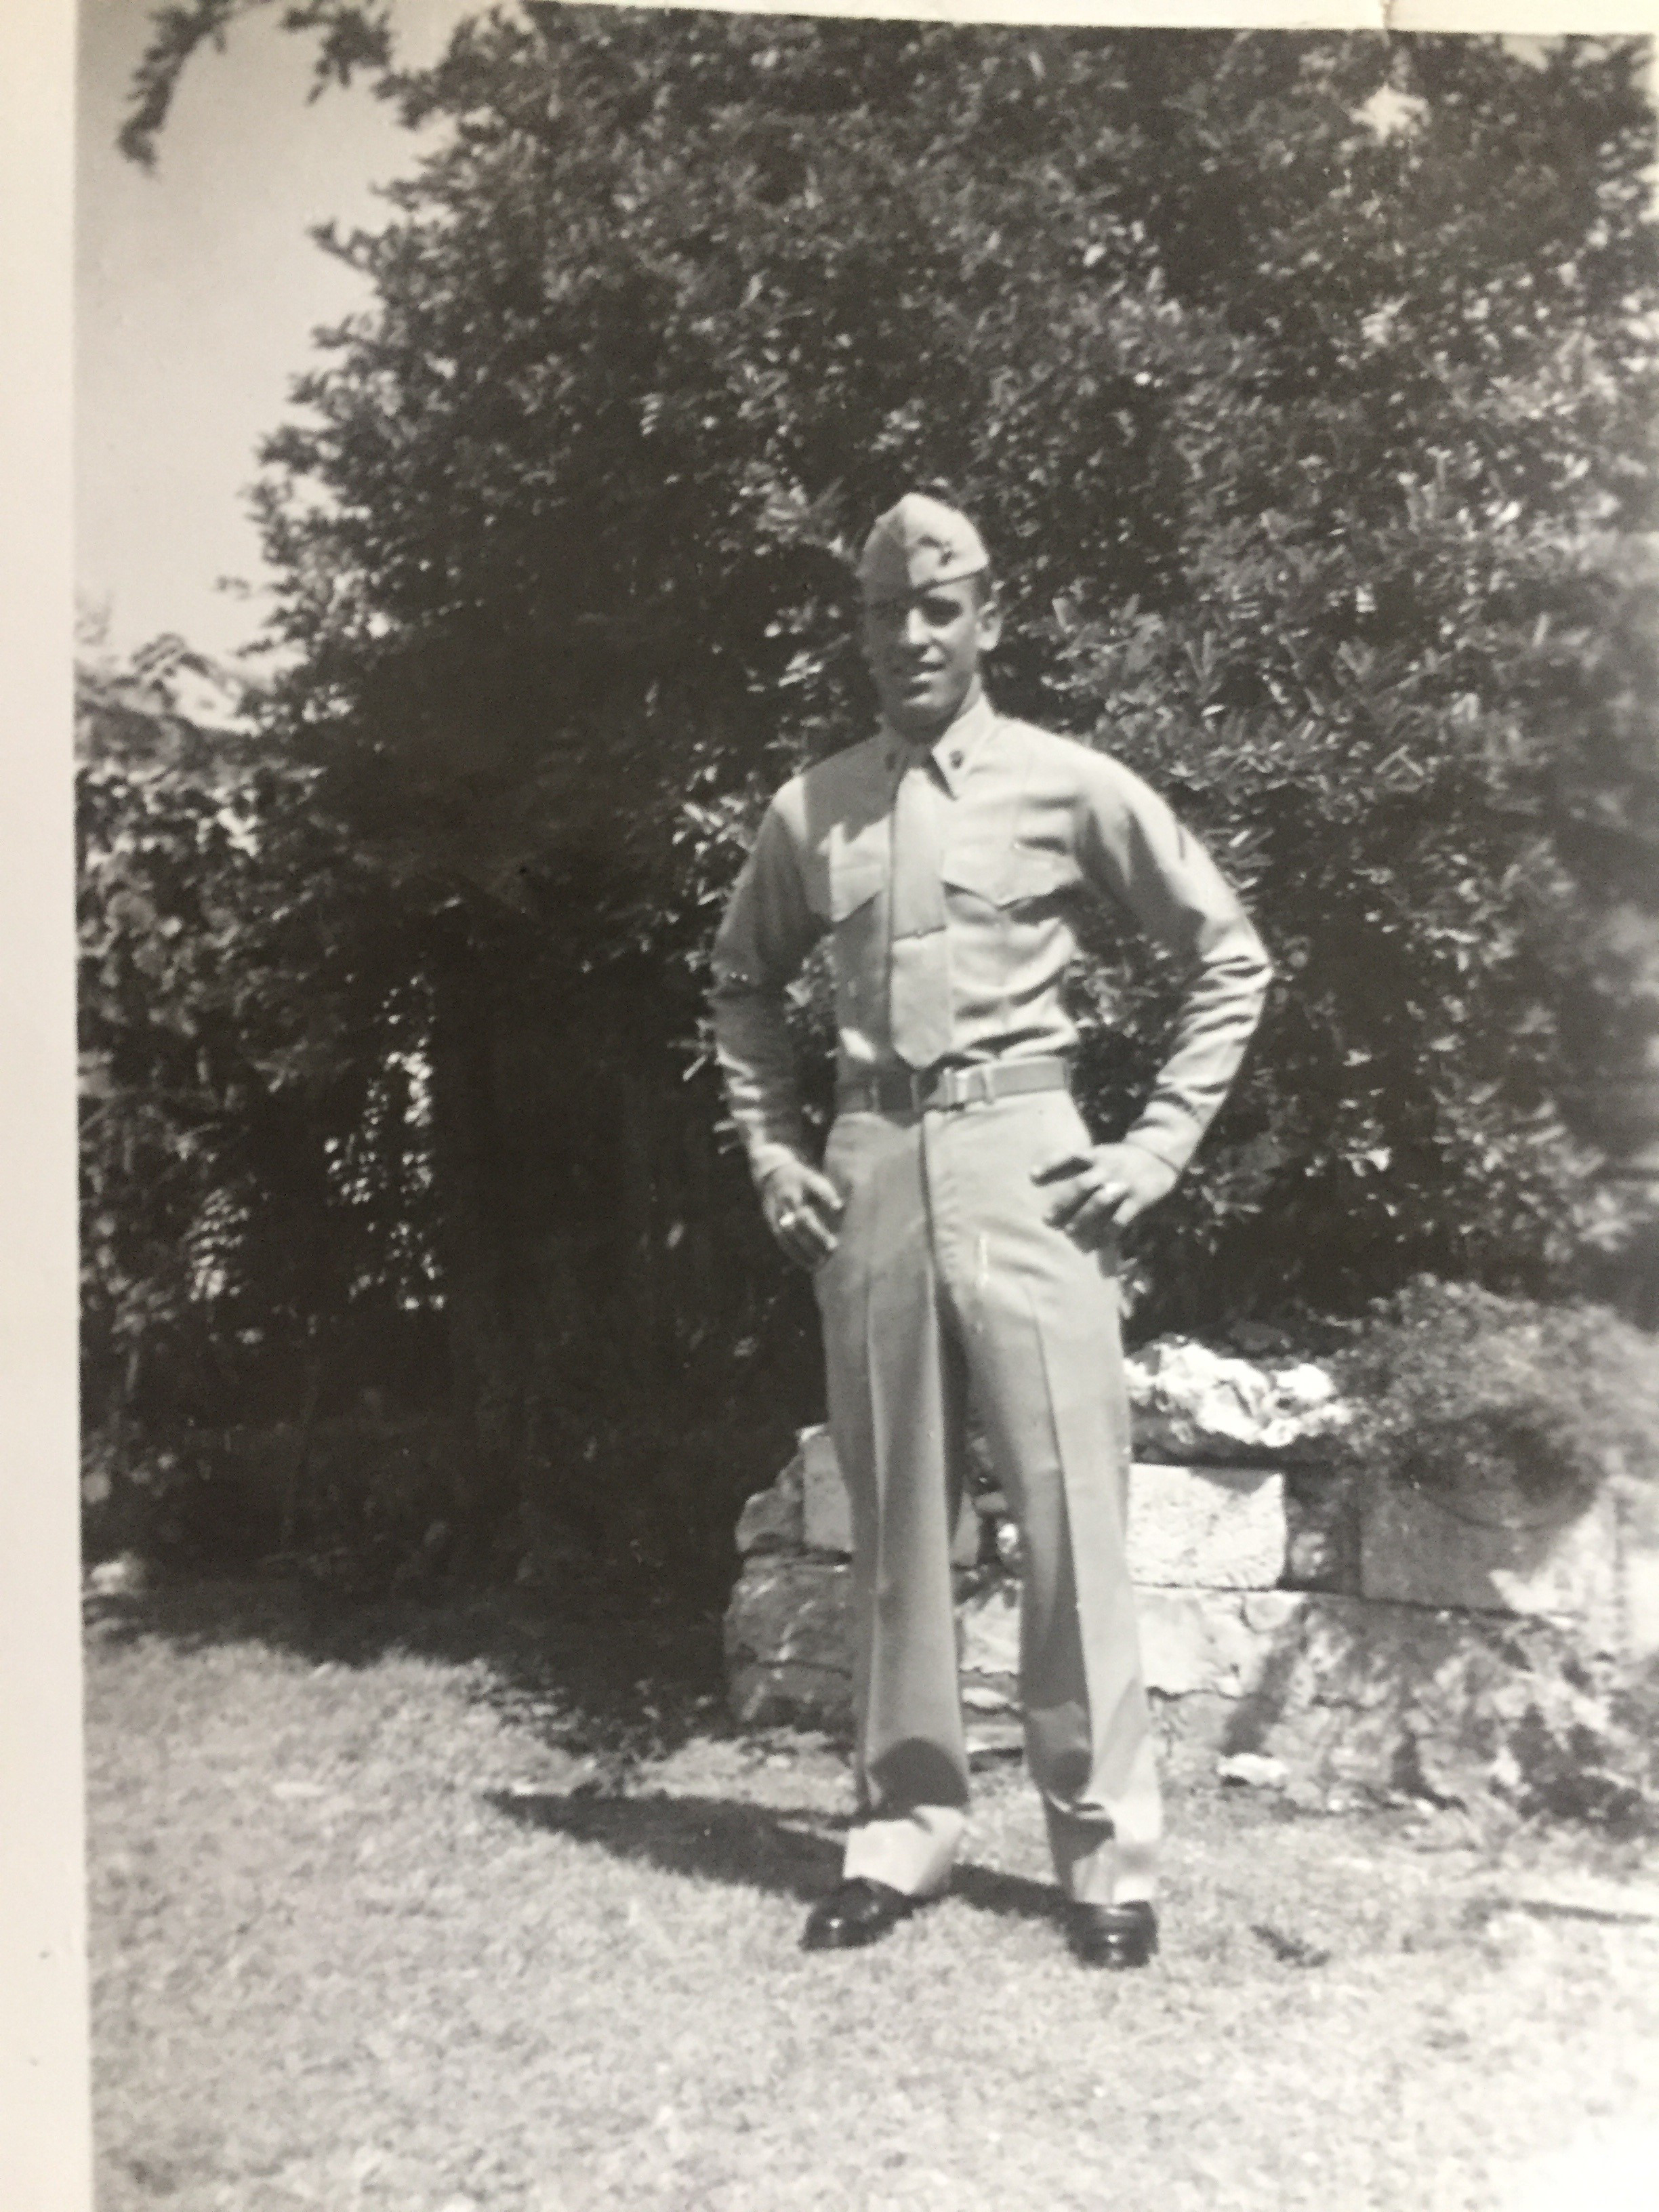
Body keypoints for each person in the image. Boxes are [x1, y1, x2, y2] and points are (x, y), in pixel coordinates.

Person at [710, 493, 1271, 1967]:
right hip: (871, 1159)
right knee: (897, 1518)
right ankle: (903, 1835)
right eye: (888, 611)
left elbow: (1229, 955)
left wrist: (1155, 1147)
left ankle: (1105, 1862)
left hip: (1031, 1159)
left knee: (1070, 1512)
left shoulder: (1069, 783)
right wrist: (776, 1154)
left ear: (988, 621)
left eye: (940, 608)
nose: (912, 635)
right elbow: (743, 988)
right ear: (863, 629)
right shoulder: (809, 808)